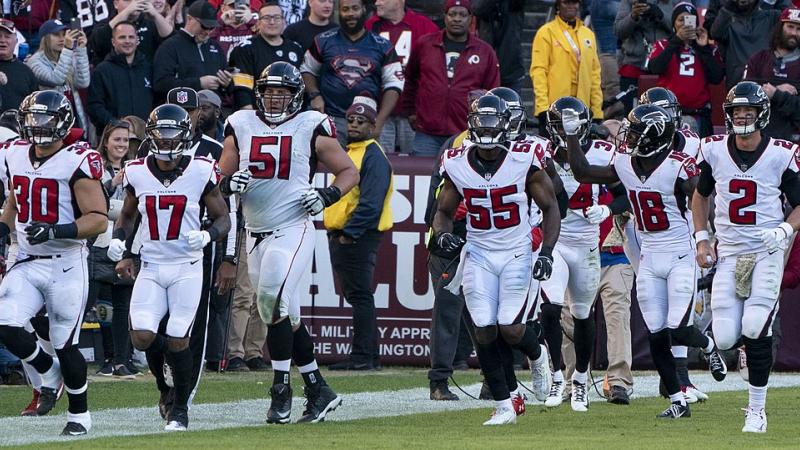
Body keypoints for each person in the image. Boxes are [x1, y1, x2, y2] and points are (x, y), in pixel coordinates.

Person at [562, 101, 728, 419]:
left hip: (680, 252)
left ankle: (706, 345)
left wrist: (705, 239)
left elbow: (704, 197)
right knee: (655, 334)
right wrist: (571, 136)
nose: (629, 138)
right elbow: (582, 172)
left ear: (652, 136)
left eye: (636, 132)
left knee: (677, 330)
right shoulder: (625, 163)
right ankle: (678, 401)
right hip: (650, 254)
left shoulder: (680, 166)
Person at [219, 62, 359, 423]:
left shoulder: (311, 124)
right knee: (287, 315)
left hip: (293, 227)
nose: (275, 99)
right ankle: (318, 387)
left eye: (282, 93)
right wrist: (226, 184)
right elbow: (220, 175)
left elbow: (349, 171)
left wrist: (327, 195)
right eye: (269, 93)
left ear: (295, 95)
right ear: (259, 94)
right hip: (255, 233)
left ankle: (281, 389)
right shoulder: (240, 123)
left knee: (270, 302)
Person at [433, 94, 557, 425]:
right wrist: (443, 234)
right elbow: (443, 212)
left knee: (511, 328)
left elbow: (551, 207)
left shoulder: (524, 157)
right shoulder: (457, 161)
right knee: (485, 331)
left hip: (517, 249)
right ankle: (505, 404)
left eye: (492, 121)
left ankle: (538, 352)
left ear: (506, 124)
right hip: (478, 252)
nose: (486, 129)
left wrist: (546, 252)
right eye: (481, 121)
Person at [109, 104, 230, 431]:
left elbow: (224, 218)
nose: (165, 142)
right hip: (151, 264)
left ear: (186, 136)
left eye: (171, 135)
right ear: (151, 137)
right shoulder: (137, 171)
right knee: (143, 337)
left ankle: (180, 408)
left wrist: (208, 234)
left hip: (187, 266)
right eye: (160, 136)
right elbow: (128, 215)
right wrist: (121, 240)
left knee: (178, 336)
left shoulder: (201, 170)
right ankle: (166, 389)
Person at [693, 81, 800, 433]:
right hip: (730, 252)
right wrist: (702, 238)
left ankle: (756, 409)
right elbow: (700, 195)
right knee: (724, 337)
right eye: (737, 111)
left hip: (767, 250)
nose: (742, 116)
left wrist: (785, 230)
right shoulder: (714, 151)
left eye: (748, 111)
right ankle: (742, 346)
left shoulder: (781, 154)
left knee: (755, 326)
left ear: (761, 114)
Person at [0, 90, 109, 435]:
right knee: (5, 321)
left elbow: (99, 218)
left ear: (62, 121)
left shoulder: (77, 159)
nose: (40, 126)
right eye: (34, 119)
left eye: (46, 119)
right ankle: (47, 372)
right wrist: (3, 228)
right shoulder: (14, 153)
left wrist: (57, 229)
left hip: (66, 261)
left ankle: (80, 415)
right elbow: (17, 197)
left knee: (65, 342)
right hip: (30, 259)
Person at [537, 97, 627, 412]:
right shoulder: (541, 152)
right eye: (560, 124)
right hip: (555, 241)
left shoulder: (602, 151)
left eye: (570, 124)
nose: (565, 130)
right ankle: (558, 375)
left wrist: (606, 209)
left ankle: (580, 380)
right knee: (549, 309)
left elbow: (624, 195)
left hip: (587, 243)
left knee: (583, 315)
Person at [325, 93, 394, 371]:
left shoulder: (373, 154)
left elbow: (371, 202)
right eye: (351, 119)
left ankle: (364, 356)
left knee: (361, 296)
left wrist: (349, 233)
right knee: (358, 295)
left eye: (361, 121)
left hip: (357, 236)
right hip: (348, 234)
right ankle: (367, 355)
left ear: (373, 126)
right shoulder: (351, 152)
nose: (354, 125)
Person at [301, 0, 404, 149]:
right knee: (331, 170)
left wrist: (379, 121)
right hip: (332, 119)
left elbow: (394, 84)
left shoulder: (383, 45)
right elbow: (307, 69)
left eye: (355, 8)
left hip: (367, 121)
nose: (350, 14)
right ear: (339, 12)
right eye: (345, 9)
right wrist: (315, 95)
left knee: (366, 168)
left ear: (364, 10)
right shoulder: (322, 40)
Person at [402, 0, 500, 155]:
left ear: (470, 18)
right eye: (452, 14)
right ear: (445, 16)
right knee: (424, 176)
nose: (457, 19)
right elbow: (410, 79)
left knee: (460, 177)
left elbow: (492, 91)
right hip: (427, 133)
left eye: (462, 14)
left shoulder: (485, 51)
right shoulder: (425, 44)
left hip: (465, 132)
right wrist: (410, 111)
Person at [90, 119, 140, 379]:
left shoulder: (137, 168)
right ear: (106, 141)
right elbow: (94, 204)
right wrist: (111, 185)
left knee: (123, 306)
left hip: (126, 244)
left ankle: (122, 359)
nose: (121, 144)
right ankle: (108, 358)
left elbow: (138, 208)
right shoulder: (96, 168)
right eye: (117, 139)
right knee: (100, 305)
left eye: (125, 140)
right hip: (99, 244)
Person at [365, 0, 439, 153]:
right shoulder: (370, 26)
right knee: (380, 159)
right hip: (379, 112)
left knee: (415, 163)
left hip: (413, 113)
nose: (377, 3)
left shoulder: (425, 27)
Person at [647, 3, 724, 137]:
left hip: (699, 114)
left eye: (689, 19)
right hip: (669, 114)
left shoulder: (707, 48)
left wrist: (703, 48)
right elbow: (654, 68)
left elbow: (716, 78)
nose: (685, 24)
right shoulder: (663, 44)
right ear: (673, 23)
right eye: (681, 19)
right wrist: (676, 41)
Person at [531, 0, 603, 138]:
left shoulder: (588, 34)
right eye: (566, 2)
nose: (571, 6)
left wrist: (597, 110)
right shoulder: (546, 32)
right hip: (555, 109)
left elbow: (595, 75)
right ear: (558, 5)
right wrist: (542, 108)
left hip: (582, 110)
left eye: (574, 2)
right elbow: (539, 71)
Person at [230, 1, 305, 109]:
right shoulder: (245, 49)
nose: (272, 22)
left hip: (290, 115)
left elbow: (301, 86)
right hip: (256, 115)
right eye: (267, 18)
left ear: (284, 21)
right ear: (258, 23)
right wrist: (249, 118)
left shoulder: (296, 49)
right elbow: (242, 89)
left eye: (277, 17)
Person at [87, 21, 154, 140]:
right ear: (113, 42)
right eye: (122, 37)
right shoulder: (102, 70)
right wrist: (118, 125)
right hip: (113, 139)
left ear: (137, 40)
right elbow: (94, 107)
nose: (127, 41)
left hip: (146, 139)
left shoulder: (148, 68)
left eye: (131, 37)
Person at [153, 1, 232, 99]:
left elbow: (227, 86)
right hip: (183, 109)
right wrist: (198, 83)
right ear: (189, 19)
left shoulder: (215, 47)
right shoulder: (170, 46)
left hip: (212, 110)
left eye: (211, 27)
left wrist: (227, 84)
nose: (207, 31)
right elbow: (160, 84)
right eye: (204, 26)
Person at [744, 7, 800, 142]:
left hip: (793, 142)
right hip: (759, 140)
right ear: (780, 27)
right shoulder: (758, 58)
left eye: (799, 29)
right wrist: (775, 91)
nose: (794, 33)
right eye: (790, 26)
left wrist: (776, 95)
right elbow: (743, 96)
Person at [614, 0, 675, 114]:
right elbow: (618, 31)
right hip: (635, 65)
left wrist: (660, 15)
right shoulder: (629, 2)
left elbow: (683, 28)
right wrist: (633, 16)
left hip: (665, 67)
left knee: (665, 113)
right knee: (632, 115)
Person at [709, 0, 782, 89]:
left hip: (768, 86)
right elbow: (715, 34)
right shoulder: (727, 19)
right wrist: (728, 6)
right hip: (738, 86)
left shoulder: (772, 16)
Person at [88, 0, 174, 66]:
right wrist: (127, 11)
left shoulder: (150, 23)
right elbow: (97, 43)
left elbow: (172, 41)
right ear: (116, 4)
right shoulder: (105, 24)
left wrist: (155, 15)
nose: (134, 4)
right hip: (114, 79)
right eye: (127, 0)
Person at [0, 20, 38, 112]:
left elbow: (35, 107)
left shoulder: (26, 72)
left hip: (18, 125)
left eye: (7, 36)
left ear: (16, 41)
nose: (2, 40)